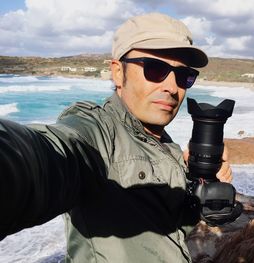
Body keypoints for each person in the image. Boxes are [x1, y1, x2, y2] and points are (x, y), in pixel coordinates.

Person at [0, 13, 232, 262]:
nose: (172, 87)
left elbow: (166, 227)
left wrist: (200, 190)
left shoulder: (167, 147)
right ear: (118, 72)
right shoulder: (98, 130)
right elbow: (50, 155)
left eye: (183, 75)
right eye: (155, 69)